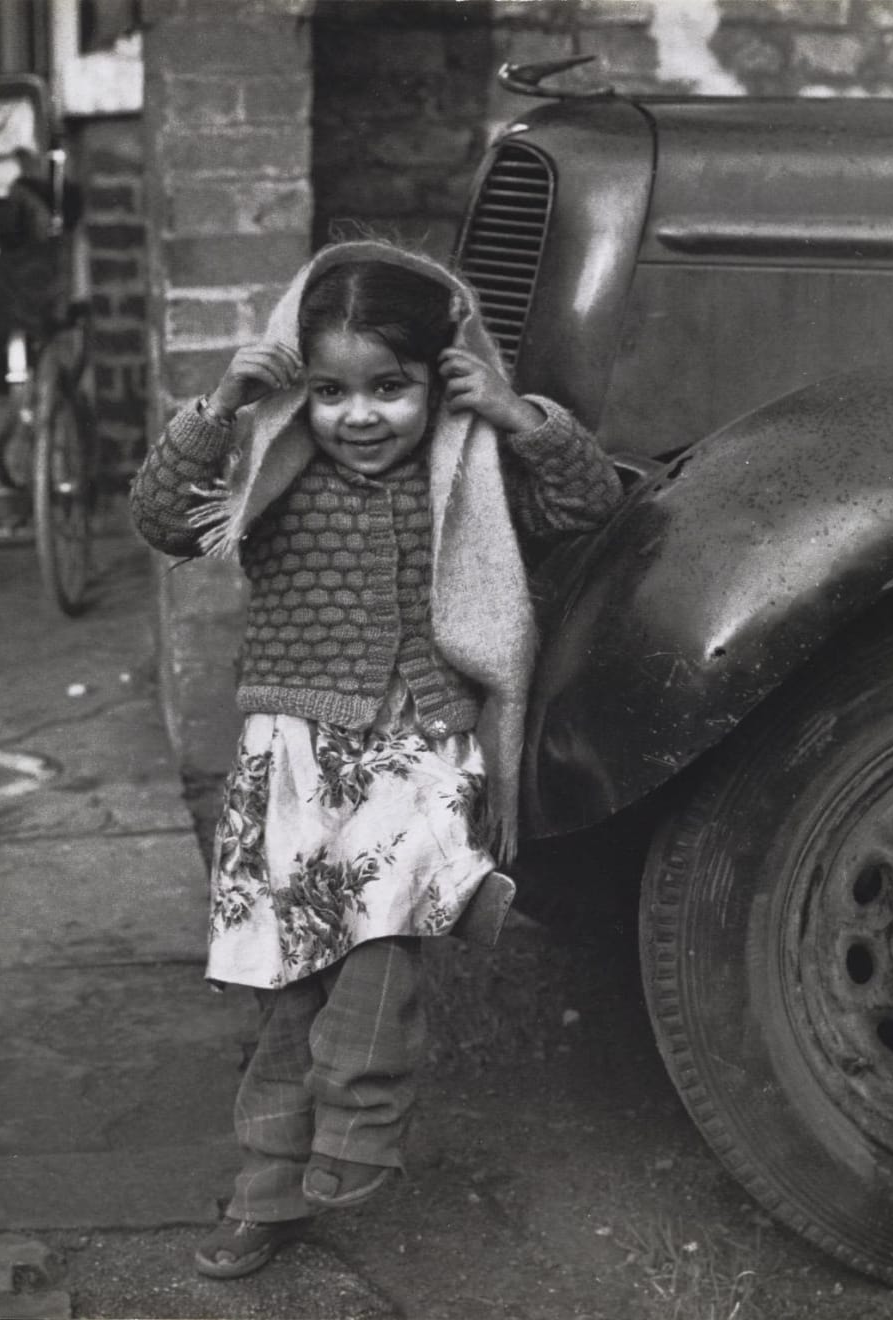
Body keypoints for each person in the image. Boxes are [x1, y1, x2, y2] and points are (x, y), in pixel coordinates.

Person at [129, 239, 623, 1279]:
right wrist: (220, 405)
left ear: (433, 382)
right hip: (294, 761)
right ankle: (267, 1191)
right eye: (331, 391)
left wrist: (512, 412)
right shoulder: (270, 476)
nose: (360, 416)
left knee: (385, 940)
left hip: (419, 747)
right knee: (288, 982)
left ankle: (357, 1129)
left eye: (390, 389)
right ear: (298, 391)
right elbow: (160, 519)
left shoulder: (467, 476)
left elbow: (589, 506)